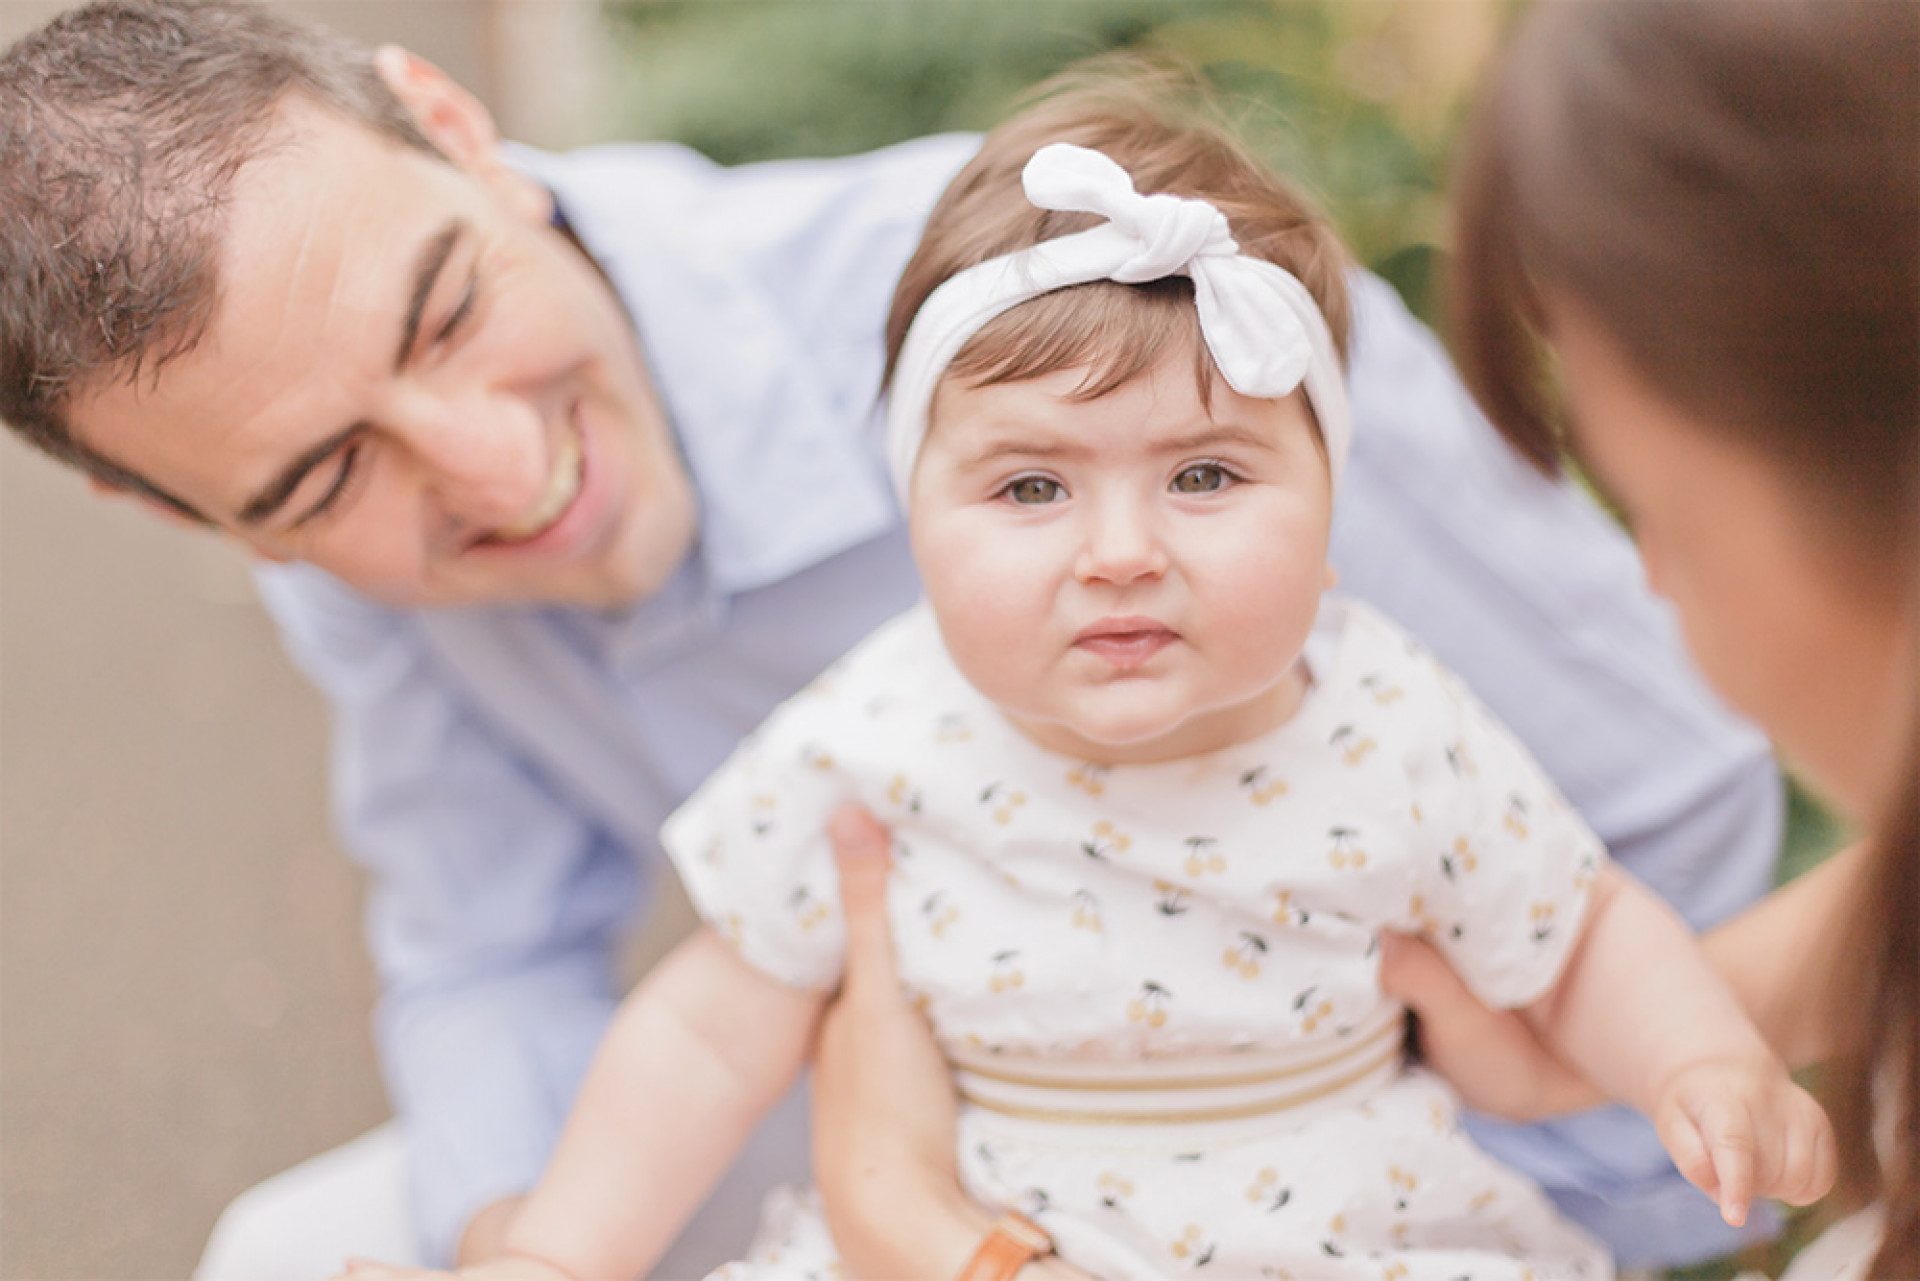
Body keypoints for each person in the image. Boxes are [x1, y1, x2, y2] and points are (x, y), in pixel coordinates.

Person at [0, 1, 1786, 1273]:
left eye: (452, 309)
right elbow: (504, 956)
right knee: (281, 1253)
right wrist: (524, 1248)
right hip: (948, 1114)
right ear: (187, 519)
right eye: (325, 476)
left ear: (462, 130)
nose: (495, 467)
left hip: (1393, 1156)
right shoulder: (875, 723)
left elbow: (1667, 836)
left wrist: (1566, 1160)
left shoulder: (1118, 337)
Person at [802, 1, 1920, 1277]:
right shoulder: (875, 728)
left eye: (1207, 478)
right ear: (917, 527)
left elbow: (1586, 920)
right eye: (1032, 490)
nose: (1120, 550)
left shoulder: (1385, 712)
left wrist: (1700, 1053)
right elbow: (701, 1030)